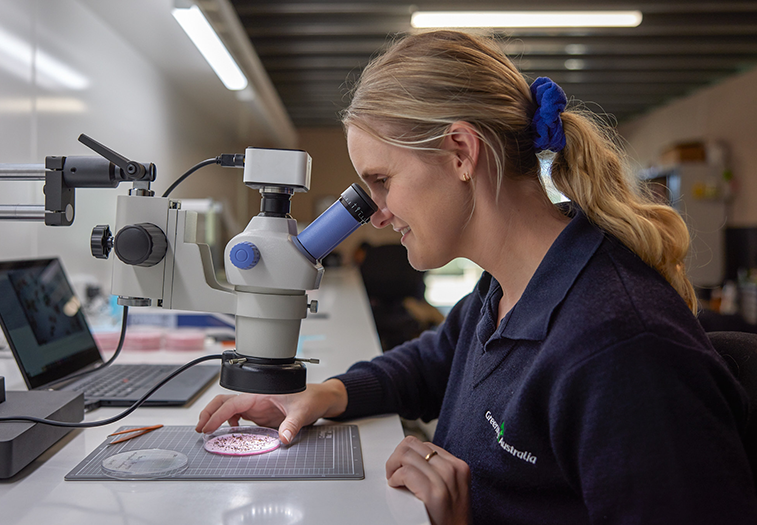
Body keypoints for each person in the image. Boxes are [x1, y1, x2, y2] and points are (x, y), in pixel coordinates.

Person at [196, 30, 757, 524]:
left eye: (383, 179)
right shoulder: (504, 287)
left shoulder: (620, 348)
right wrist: (325, 394)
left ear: (461, 152)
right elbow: (430, 361)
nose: (378, 210)